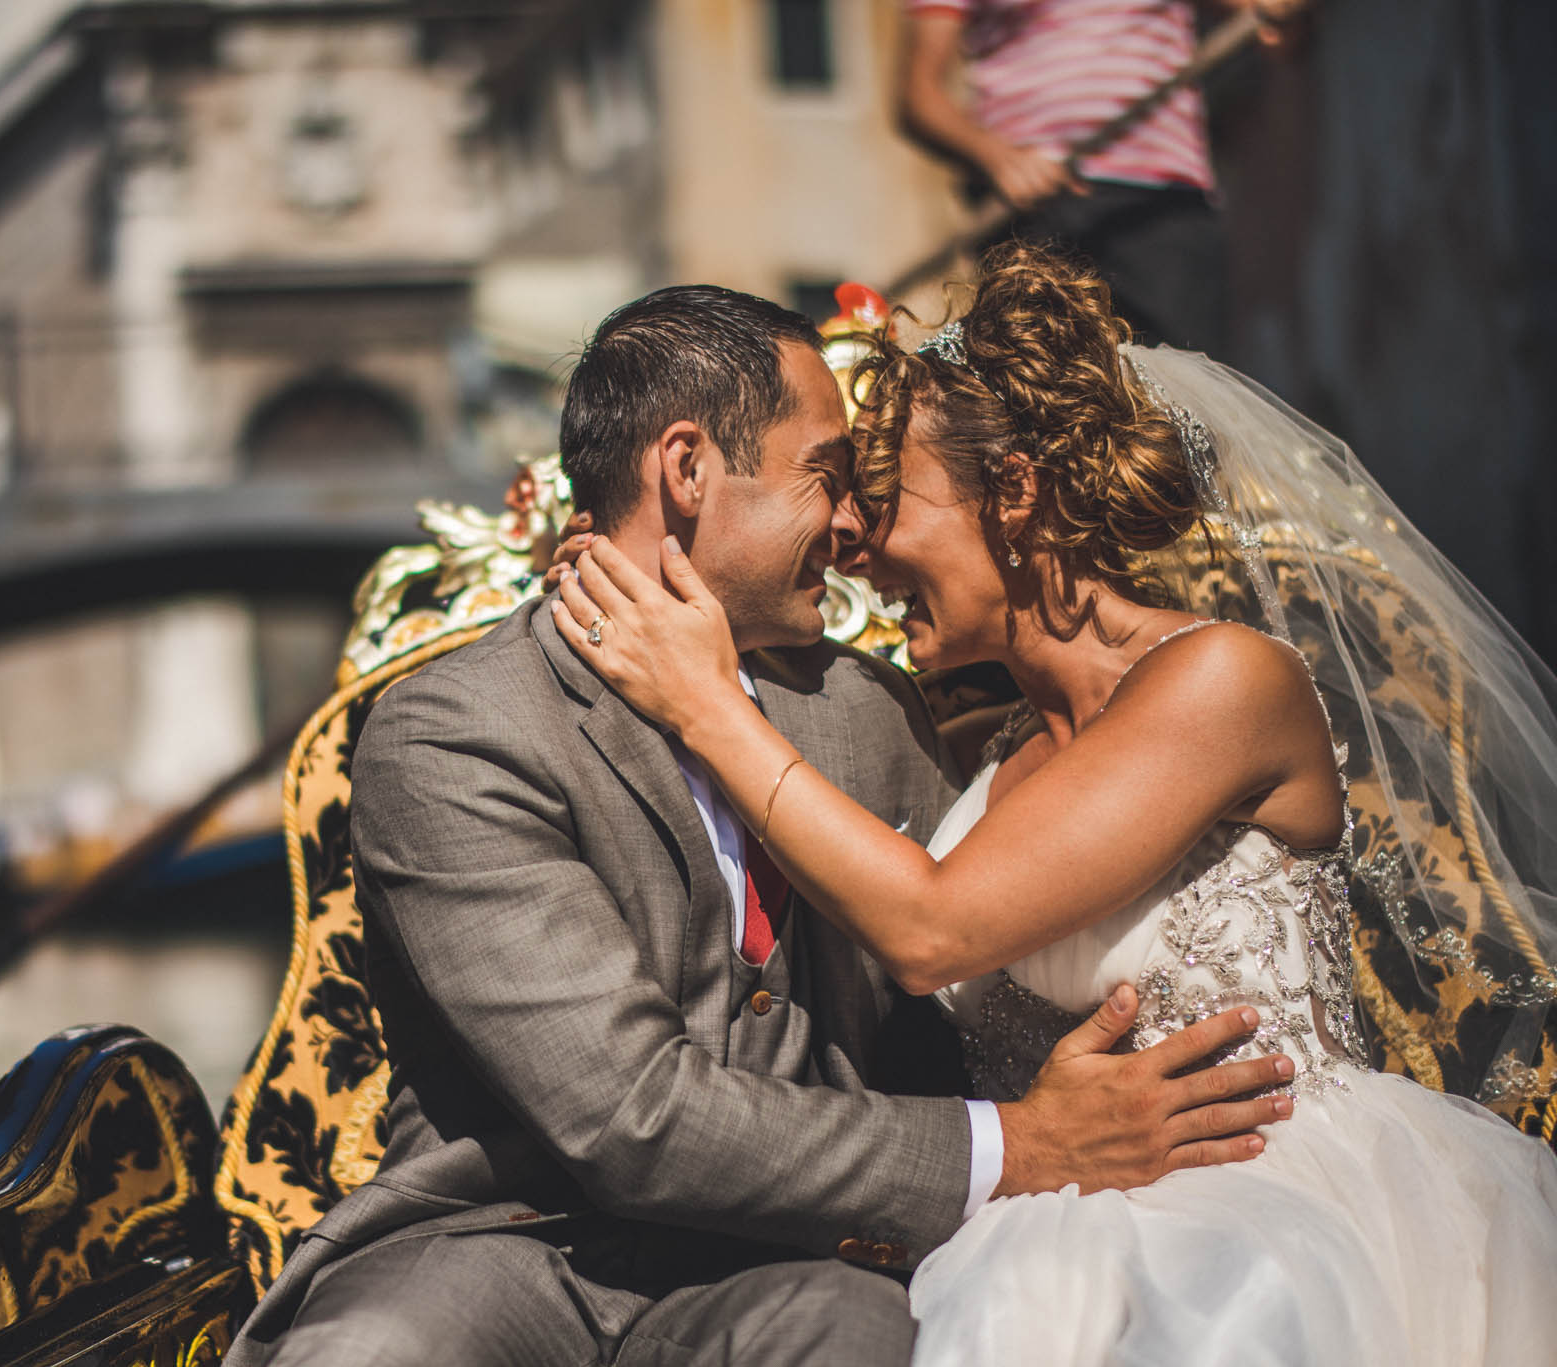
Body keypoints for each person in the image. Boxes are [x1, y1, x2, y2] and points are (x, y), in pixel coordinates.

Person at [224, 284, 1293, 1367]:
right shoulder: (460, 729)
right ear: (686, 470)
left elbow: (953, 1001)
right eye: (826, 477)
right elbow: (626, 1114)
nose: (851, 528)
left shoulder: (867, 711)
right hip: (512, 1245)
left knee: (855, 1336)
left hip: (797, 1257)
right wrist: (1013, 1142)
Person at [550, 244, 1557, 1364]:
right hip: (1040, 1208)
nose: (860, 549)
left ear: (1015, 492)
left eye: (885, 503)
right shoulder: (980, 765)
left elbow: (932, 929)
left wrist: (702, 702)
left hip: (1271, 1201)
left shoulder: (1222, 679)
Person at [899, 0, 1306, 355]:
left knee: (1186, 400)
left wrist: (1276, 13)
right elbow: (919, 98)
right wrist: (998, 158)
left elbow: (1267, 17)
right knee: (1038, 395)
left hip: (1160, 204)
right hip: (1029, 212)